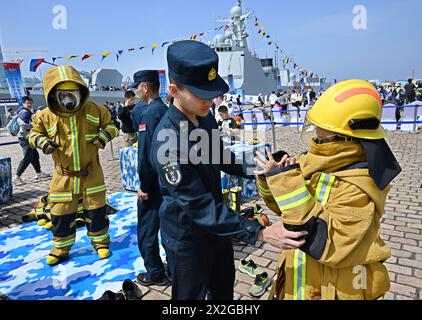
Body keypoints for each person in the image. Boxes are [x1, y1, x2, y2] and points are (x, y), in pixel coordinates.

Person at [150, 40, 307, 300]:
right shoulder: (169, 143)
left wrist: (262, 168)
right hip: (188, 237)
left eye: (212, 91)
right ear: (174, 90)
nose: (210, 100)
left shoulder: (204, 116)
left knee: (223, 291)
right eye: (202, 93)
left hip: (218, 229)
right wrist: (260, 232)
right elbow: (199, 206)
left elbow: (222, 158)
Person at [254, 80, 402, 300]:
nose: (315, 139)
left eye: (322, 135)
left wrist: (287, 182)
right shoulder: (316, 162)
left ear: (347, 139)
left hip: (333, 288)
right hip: (300, 280)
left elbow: (328, 243)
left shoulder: (359, 186)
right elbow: (288, 214)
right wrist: (270, 181)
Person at [28, 66, 119, 266]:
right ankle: (61, 248)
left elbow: (113, 125)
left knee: (96, 211)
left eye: (73, 93)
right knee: (60, 214)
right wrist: (42, 142)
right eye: (63, 95)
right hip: (63, 176)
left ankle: (100, 243)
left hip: (92, 173)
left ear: (81, 91)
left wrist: (104, 136)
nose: (69, 99)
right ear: (53, 95)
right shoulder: (45, 115)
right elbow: (32, 134)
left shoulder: (96, 110)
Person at [129, 70, 171, 286]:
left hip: (153, 184)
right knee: (169, 229)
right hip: (169, 181)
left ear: (145, 87)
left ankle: (155, 273)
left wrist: (143, 186)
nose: (136, 91)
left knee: (147, 231)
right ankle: (173, 269)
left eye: (137, 87)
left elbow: (145, 156)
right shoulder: (166, 110)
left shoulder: (148, 114)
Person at [14, 96, 48, 186]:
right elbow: (24, 126)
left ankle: (39, 173)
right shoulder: (24, 113)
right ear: (23, 103)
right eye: (27, 103)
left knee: (35, 156)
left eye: (30, 103)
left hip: (28, 137)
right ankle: (17, 177)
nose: (29, 104)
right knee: (27, 158)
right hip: (24, 138)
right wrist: (35, 124)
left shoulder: (26, 111)